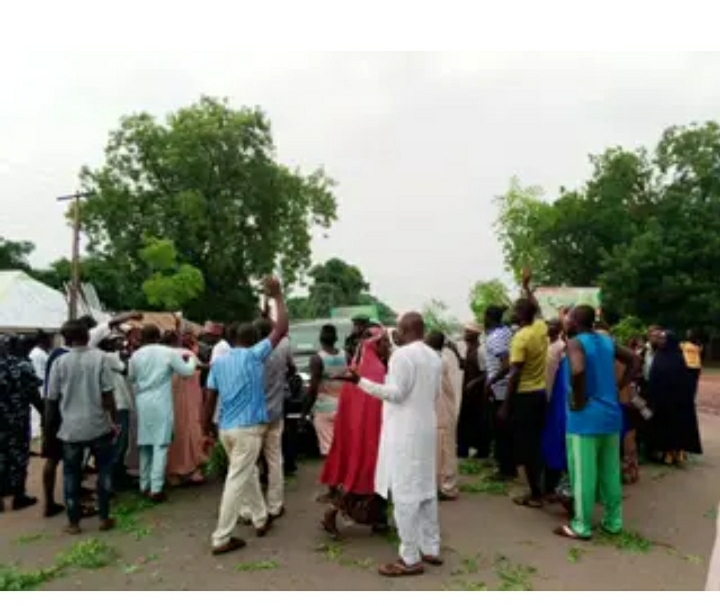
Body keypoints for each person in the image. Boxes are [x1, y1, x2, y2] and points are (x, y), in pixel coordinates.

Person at [347, 311, 443, 578]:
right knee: (425, 489)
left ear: (406, 329)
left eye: (398, 329)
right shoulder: (433, 355)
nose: (395, 334)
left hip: (405, 433)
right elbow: (433, 394)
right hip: (425, 428)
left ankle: (410, 557)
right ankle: (431, 547)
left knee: (404, 494)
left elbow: (396, 394)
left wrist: (360, 382)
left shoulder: (403, 355)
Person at [203, 276, 289, 556]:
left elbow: (210, 397)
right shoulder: (254, 355)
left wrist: (205, 428)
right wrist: (277, 297)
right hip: (248, 428)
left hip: (225, 428)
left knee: (247, 473)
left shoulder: (219, 361)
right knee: (237, 479)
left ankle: (261, 518)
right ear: (254, 341)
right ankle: (221, 537)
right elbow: (281, 329)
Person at [554, 305, 640, 541]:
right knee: (610, 472)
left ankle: (581, 525)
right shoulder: (607, 341)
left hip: (585, 419)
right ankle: (613, 521)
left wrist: (579, 400)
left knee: (583, 474)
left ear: (574, 321)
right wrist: (619, 385)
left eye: (568, 318)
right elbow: (634, 359)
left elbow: (579, 370)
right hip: (611, 416)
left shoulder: (576, 343)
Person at [46, 320, 118, 534]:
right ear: (87, 336)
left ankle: (73, 523)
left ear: (66, 339)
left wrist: (49, 433)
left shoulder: (59, 362)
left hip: (70, 428)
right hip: (98, 425)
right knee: (104, 471)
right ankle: (104, 518)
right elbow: (108, 394)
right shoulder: (100, 358)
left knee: (71, 474)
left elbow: (51, 401)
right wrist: (114, 420)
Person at [319, 326, 390, 538]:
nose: (387, 346)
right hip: (370, 434)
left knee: (369, 476)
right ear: (376, 345)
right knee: (365, 476)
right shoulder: (376, 370)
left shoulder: (356, 367)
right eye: (384, 342)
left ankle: (379, 519)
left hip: (355, 433)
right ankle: (332, 514)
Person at [128, 324, 197, 502]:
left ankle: (144, 485)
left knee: (145, 444)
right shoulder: (168, 353)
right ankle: (156, 488)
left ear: (142, 338)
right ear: (158, 337)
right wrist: (191, 358)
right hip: (161, 400)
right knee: (160, 443)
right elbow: (187, 372)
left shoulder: (136, 355)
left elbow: (131, 378)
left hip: (142, 400)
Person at [498, 269, 548, 508]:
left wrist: (506, 406)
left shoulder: (521, 338)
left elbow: (514, 373)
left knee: (525, 446)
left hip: (524, 396)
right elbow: (537, 309)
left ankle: (535, 495)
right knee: (536, 443)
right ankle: (540, 489)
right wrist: (526, 287)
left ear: (519, 315)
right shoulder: (539, 330)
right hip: (540, 393)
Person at [238, 317, 294, 523]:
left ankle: (248, 509)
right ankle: (275, 505)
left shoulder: (250, 355)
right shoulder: (281, 350)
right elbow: (291, 367)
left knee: (248, 463)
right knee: (274, 460)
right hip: (275, 413)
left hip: (252, 415)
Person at [646, 331, 703, 466]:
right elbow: (654, 377)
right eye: (659, 338)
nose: (660, 341)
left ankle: (677, 453)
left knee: (677, 428)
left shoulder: (679, 358)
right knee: (664, 427)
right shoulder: (659, 356)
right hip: (662, 401)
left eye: (663, 339)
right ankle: (667, 453)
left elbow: (685, 381)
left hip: (677, 402)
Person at [0, 337, 42, 513]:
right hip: (17, 421)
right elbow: (34, 393)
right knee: (18, 457)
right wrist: (46, 415)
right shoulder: (22, 365)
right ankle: (18, 496)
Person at [165, 331, 209, 486]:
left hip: (170, 400)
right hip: (189, 401)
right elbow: (199, 368)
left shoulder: (164, 355)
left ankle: (172, 472)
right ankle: (191, 470)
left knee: (173, 434)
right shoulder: (187, 354)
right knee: (190, 432)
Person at [98, 335, 135, 491]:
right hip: (118, 405)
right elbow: (125, 369)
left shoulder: (104, 356)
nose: (122, 342)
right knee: (119, 443)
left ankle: (118, 475)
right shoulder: (110, 357)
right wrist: (127, 357)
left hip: (118, 404)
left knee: (120, 442)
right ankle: (113, 480)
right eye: (117, 340)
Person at [304, 324, 348, 458]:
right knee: (343, 446)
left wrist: (304, 411)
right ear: (336, 339)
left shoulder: (317, 359)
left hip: (324, 408)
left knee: (328, 449)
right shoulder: (346, 355)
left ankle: (332, 476)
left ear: (320, 339)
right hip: (344, 406)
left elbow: (313, 388)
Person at [41, 335, 71, 517]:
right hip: (63, 412)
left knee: (52, 458)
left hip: (52, 412)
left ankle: (49, 501)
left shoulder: (54, 355)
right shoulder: (65, 358)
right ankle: (71, 501)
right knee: (70, 460)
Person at [483, 305, 515, 480]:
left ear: (488, 317)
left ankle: (505, 469)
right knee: (505, 431)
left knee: (501, 431)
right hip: (505, 387)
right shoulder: (507, 332)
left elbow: (506, 362)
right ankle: (505, 464)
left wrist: (491, 381)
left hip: (501, 390)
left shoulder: (495, 337)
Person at [426, 331, 459, 501]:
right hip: (439, 411)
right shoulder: (438, 359)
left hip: (443, 411)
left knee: (445, 449)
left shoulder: (438, 361)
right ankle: (439, 485)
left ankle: (447, 488)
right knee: (439, 449)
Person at [447, 323, 488, 459]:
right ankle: (463, 450)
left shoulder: (481, 350)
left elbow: (486, 372)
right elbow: (463, 365)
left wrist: (474, 382)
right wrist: (455, 352)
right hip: (469, 393)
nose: (465, 334)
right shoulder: (470, 349)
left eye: (467, 332)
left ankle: (481, 451)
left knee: (477, 421)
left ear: (475, 334)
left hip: (477, 393)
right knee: (465, 421)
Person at [542, 319, 568, 498]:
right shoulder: (546, 345)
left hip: (556, 399)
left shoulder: (561, 348)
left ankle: (555, 485)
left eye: (552, 325)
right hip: (544, 396)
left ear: (558, 329)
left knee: (556, 442)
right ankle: (548, 484)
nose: (548, 328)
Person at [29, 330, 52, 440]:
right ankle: (36, 435)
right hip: (42, 388)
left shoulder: (33, 353)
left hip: (39, 387)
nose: (50, 342)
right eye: (49, 339)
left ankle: (35, 434)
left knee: (36, 414)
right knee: (39, 415)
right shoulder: (41, 354)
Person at [681, 329, 703, 403]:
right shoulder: (684, 344)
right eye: (687, 334)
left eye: (690, 334)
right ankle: (688, 397)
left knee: (694, 384)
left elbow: (699, 354)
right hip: (688, 366)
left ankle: (691, 397)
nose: (688, 335)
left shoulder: (697, 344)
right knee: (688, 383)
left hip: (695, 366)